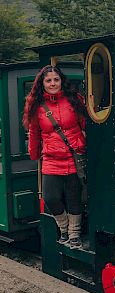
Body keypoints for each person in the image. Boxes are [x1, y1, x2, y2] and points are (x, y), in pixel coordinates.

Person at [23, 65, 86, 248]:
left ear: (61, 81)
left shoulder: (74, 100)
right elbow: (34, 133)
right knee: (50, 197)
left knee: (74, 197)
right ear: (42, 84)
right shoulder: (37, 106)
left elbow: (85, 124)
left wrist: (83, 144)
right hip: (51, 158)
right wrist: (34, 154)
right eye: (48, 80)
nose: (53, 83)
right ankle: (64, 228)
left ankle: (74, 235)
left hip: (74, 156)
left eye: (56, 80)